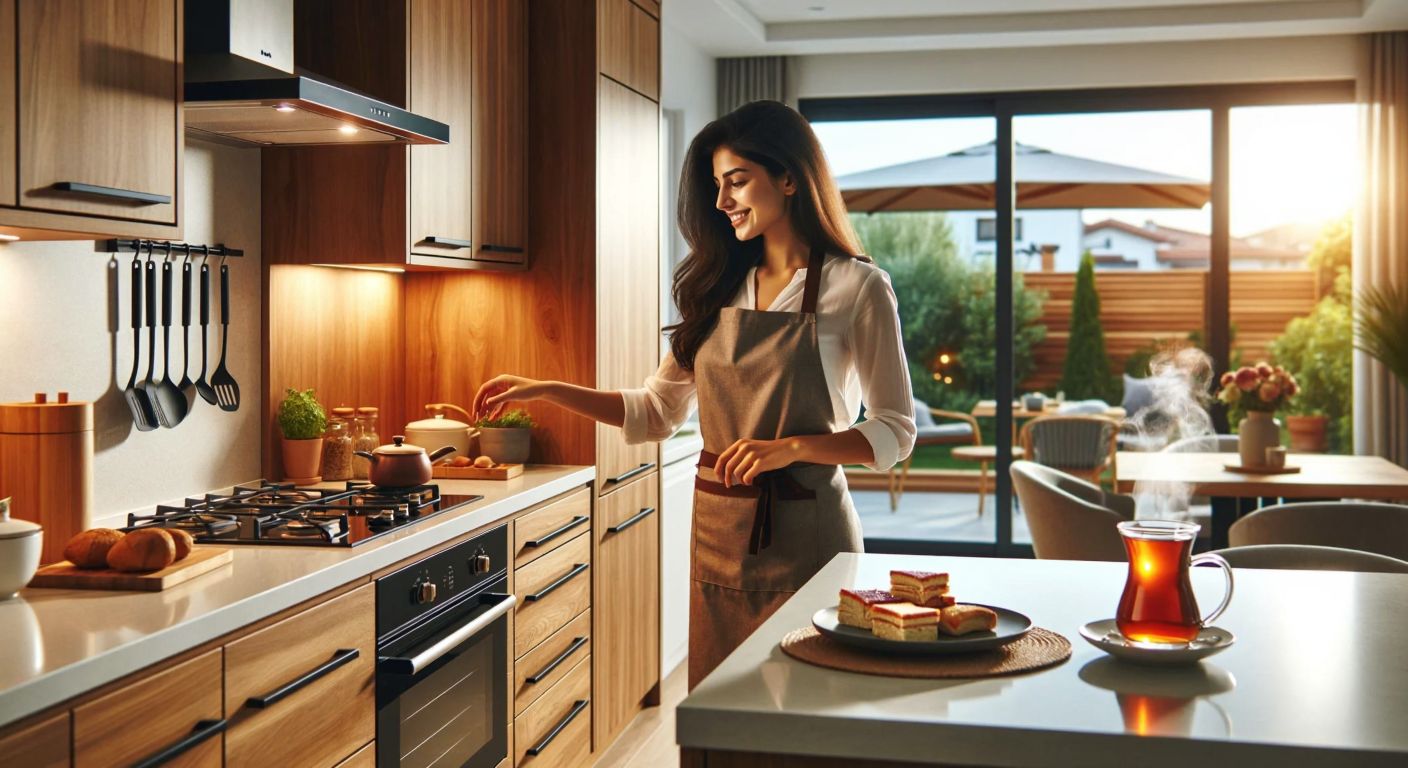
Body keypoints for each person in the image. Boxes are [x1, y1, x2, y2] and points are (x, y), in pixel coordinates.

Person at [473, 100, 915, 688]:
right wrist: (551, 390)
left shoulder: (857, 287)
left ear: (788, 178)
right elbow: (657, 412)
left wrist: (790, 448)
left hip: (809, 534)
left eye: (737, 180)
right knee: (719, 712)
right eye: (716, 185)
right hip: (719, 532)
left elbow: (894, 431)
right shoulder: (718, 288)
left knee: (808, 708)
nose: (722, 200)